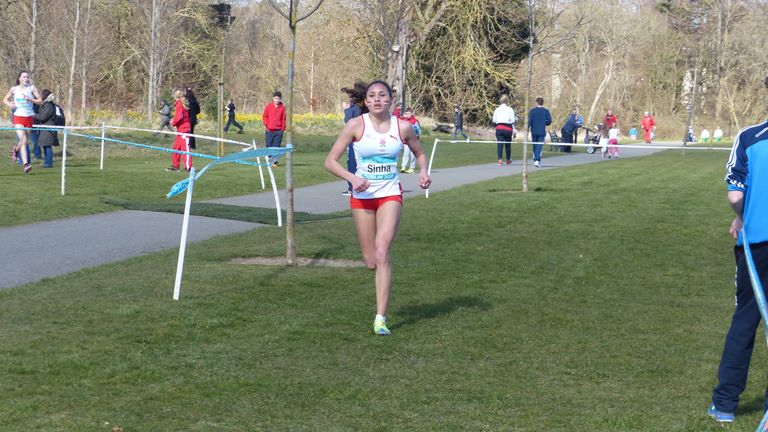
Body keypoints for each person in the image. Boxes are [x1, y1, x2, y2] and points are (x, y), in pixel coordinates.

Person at [324, 80, 431, 336]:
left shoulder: (403, 127)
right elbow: (329, 161)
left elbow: (419, 153)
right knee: (371, 260)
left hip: (390, 195)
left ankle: (380, 318)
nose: (377, 100)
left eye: (382, 95)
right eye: (372, 96)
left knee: (382, 253)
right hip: (362, 198)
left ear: (390, 99)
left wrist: (424, 171)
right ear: (366, 101)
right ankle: (375, 273)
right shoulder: (356, 125)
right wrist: (352, 178)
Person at [709, 77, 768, 423]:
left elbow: (735, 193)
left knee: (746, 320)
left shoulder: (750, 137)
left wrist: (743, 217)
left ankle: (725, 405)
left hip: (757, 243)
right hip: (754, 240)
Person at [3, 70, 42, 173]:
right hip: (18, 117)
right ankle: (26, 164)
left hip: (29, 117)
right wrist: (10, 104)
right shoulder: (14, 89)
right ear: (19, 79)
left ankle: (16, 150)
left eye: (28, 77)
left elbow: (40, 101)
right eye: (24, 77)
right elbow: (5, 99)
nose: (26, 79)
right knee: (24, 140)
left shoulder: (32, 88)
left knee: (24, 141)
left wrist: (30, 100)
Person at [340, 82, 365, 195]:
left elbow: (349, 122)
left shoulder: (355, 107)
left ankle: (352, 187)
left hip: (354, 139)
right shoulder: (363, 106)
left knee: (352, 163)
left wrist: (346, 110)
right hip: (361, 137)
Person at [167, 89, 192, 172]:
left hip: (184, 130)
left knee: (185, 149)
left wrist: (173, 122)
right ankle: (175, 166)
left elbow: (180, 117)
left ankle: (188, 167)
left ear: (175, 96)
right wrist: (174, 120)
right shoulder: (179, 104)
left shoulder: (179, 105)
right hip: (180, 130)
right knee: (176, 148)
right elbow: (180, 116)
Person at [33, 89, 59, 168]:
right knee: (45, 145)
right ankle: (47, 162)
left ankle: (48, 163)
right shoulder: (47, 105)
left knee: (47, 146)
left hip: (48, 128)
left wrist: (34, 115)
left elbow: (43, 117)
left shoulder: (48, 105)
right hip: (46, 128)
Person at [262, 90, 286, 166]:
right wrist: (267, 125)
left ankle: (274, 162)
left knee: (276, 146)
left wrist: (282, 129)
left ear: (280, 99)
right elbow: (264, 116)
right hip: (269, 130)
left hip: (278, 131)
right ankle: (270, 161)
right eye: (275, 98)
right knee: (269, 145)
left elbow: (284, 119)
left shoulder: (282, 108)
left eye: (278, 98)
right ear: (273, 98)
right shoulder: (269, 106)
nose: (277, 100)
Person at [527, 97, 552, 167]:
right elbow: (549, 121)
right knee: (539, 145)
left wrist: (527, 129)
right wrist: (546, 123)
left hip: (534, 131)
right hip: (541, 131)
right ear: (542, 103)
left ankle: (536, 159)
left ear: (536, 103)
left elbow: (530, 121)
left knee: (535, 145)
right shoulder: (546, 111)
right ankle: (537, 159)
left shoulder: (532, 111)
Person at [492, 94, 516, 165]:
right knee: (508, 144)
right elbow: (513, 120)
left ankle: (500, 159)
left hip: (499, 128)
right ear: (507, 101)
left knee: (500, 144)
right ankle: (508, 159)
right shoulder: (510, 109)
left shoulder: (497, 109)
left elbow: (494, 120)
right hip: (508, 128)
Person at [400, 107, 420, 173]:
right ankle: (403, 167)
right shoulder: (404, 121)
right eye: (407, 113)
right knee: (406, 154)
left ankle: (412, 168)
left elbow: (419, 130)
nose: (408, 115)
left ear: (412, 113)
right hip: (406, 141)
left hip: (414, 141)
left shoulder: (415, 121)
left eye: (409, 113)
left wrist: (416, 135)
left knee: (412, 155)